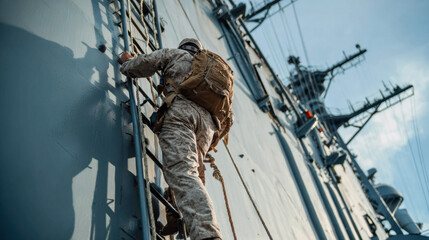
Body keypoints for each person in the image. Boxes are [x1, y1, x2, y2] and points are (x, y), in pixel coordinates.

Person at [120, 38, 222, 240]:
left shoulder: (177, 54)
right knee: (190, 174)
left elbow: (144, 63)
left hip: (182, 113)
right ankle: (180, 219)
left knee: (183, 173)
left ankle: (207, 236)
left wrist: (127, 63)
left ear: (184, 47)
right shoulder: (211, 72)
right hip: (207, 127)